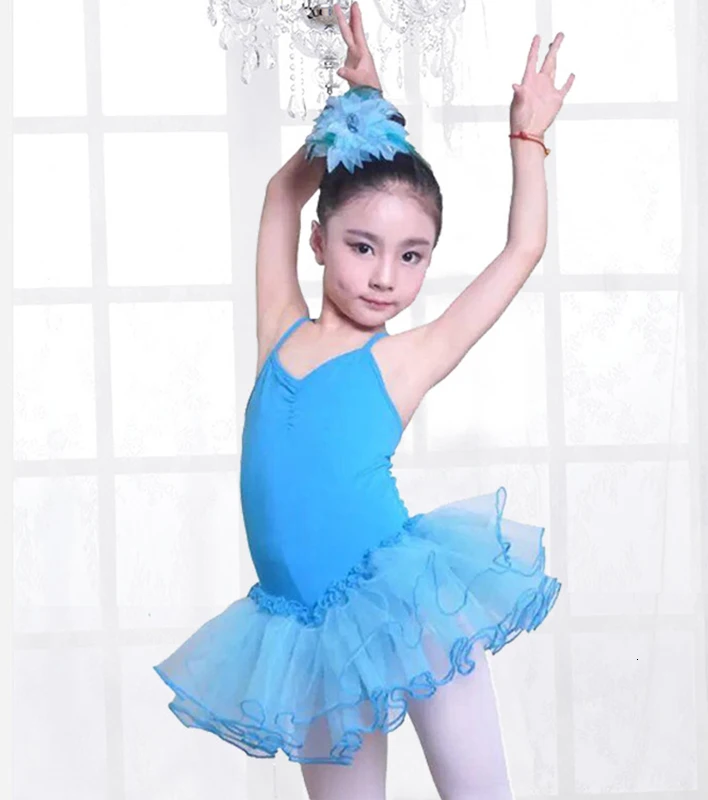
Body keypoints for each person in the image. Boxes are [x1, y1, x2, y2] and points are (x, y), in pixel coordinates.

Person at [153, 3, 574, 798]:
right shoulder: (278, 328)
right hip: (304, 632)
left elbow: (522, 250)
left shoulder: (408, 359)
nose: (385, 276)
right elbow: (283, 194)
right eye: (362, 246)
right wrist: (361, 109)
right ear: (319, 242)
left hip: (407, 602)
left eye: (412, 256)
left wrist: (527, 139)